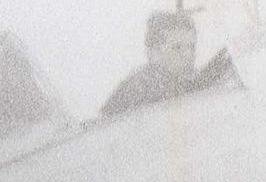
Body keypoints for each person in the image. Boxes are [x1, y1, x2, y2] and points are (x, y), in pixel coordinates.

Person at [98, 9, 238, 117]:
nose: (188, 55)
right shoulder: (138, 86)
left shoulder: (192, 77)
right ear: (153, 53)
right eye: (177, 48)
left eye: (191, 47)